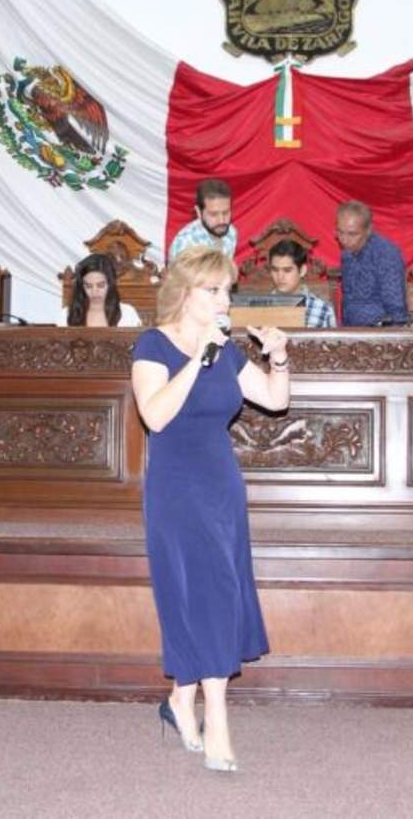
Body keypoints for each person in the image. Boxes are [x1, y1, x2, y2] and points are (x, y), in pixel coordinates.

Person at [130, 245, 290, 774]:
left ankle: (182, 698)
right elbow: (155, 416)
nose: (225, 300)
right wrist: (198, 359)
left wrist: (278, 358)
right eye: (215, 290)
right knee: (202, 591)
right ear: (185, 291)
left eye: (228, 291)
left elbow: (275, 400)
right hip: (176, 489)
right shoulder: (153, 345)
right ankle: (216, 717)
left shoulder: (227, 349)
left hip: (221, 484)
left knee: (219, 588)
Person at [336, 200, 408, 326]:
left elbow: (396, 310)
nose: (344, 240)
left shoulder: (386, 255)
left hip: (379, 332)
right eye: (340, 232)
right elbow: (348, 301)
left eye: (352, 234)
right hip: (350, 329)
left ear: (368, 230)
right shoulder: (347, 253)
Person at [266, 239, 336, 328]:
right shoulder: (260, 307)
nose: (280, 276)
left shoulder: (322, 310)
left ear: (302, 270)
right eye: (275, 270)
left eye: (287, 270)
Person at [63, 253, 141, 327]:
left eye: (100, 286)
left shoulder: (128, 313)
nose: (94, 291)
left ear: (110, 284)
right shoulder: (67, 314)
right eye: (89, 286)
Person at [169, 179, 236, 262]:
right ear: (198, 212)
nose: (222, 221)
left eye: (225, 213)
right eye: (214, 214)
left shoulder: (231, 233)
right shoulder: (184, 244)